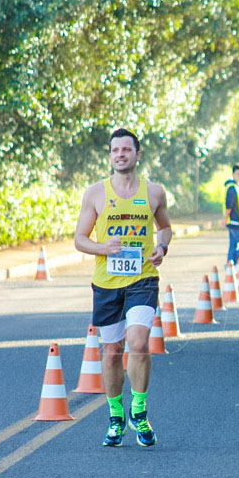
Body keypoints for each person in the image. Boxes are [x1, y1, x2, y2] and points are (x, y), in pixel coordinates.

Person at [73, 128, 172, 447]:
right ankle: (116, 416)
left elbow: (166, 228)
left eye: (126, 149)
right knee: (113, 352)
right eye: (114, 150)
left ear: (137, 155)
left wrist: (162, 247)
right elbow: (80, 239)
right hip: (106, 284)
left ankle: (139, 412)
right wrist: (104, 248)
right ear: (110, 155)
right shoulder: (96, 193)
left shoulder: (154, 192)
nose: (120, 154)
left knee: (139, 342)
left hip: (143, 278)